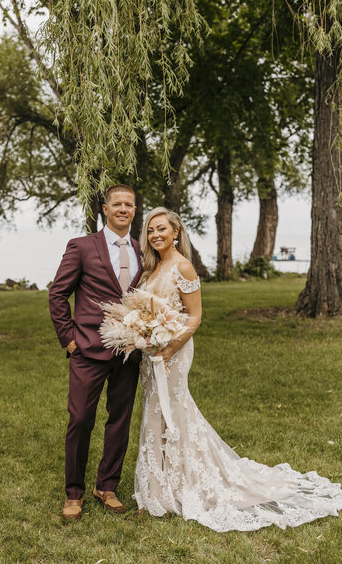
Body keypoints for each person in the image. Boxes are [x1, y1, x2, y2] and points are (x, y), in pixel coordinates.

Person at [134, 206, 342, 531]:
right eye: (150, 230)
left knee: (173, 410)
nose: (155, 234)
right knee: (155, 412)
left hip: (174, 352)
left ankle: (180, 483)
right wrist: (143, 335)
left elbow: (194, 317)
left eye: (162, 229)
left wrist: (170, 347)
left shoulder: (184, 268)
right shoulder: (151, 269)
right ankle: (160, 484)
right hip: (153, 355)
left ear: (176, 232)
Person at [49, 184, 143, 520]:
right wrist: (70, 340)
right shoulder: (82, 246)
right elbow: (58, 294)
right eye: (116, 204)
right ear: (105, 208)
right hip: (87, 349)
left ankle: (107, 485)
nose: (123, 209)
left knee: (119, 421)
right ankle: (73, 493)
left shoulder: (142, 250)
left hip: (129, 352)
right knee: (80, 419)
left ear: (134, 210)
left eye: (128, 204)